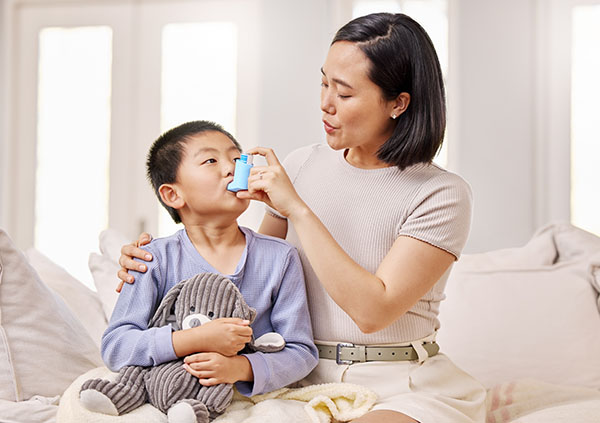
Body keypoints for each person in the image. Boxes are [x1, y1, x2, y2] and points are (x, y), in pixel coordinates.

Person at [117, 13, 486, 423]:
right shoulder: (303, 164)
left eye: (344, 93)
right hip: (294, 377)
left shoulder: (441, 194)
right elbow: (248, 280)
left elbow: (373, 312)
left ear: (398, 103)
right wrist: (154, 264)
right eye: (324, 83)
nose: (326, 103)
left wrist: (297, 209)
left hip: (398, 383)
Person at [103, 120, 318, 398]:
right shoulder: (152, 258)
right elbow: (116, 347)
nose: (231, 168)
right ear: (173, 194)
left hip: (246, 399)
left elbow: (301, 353)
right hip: (170, 393)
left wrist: (240, 368)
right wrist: (193, 339)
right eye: (210, 161)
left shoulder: (280, 257)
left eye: (236, 159)